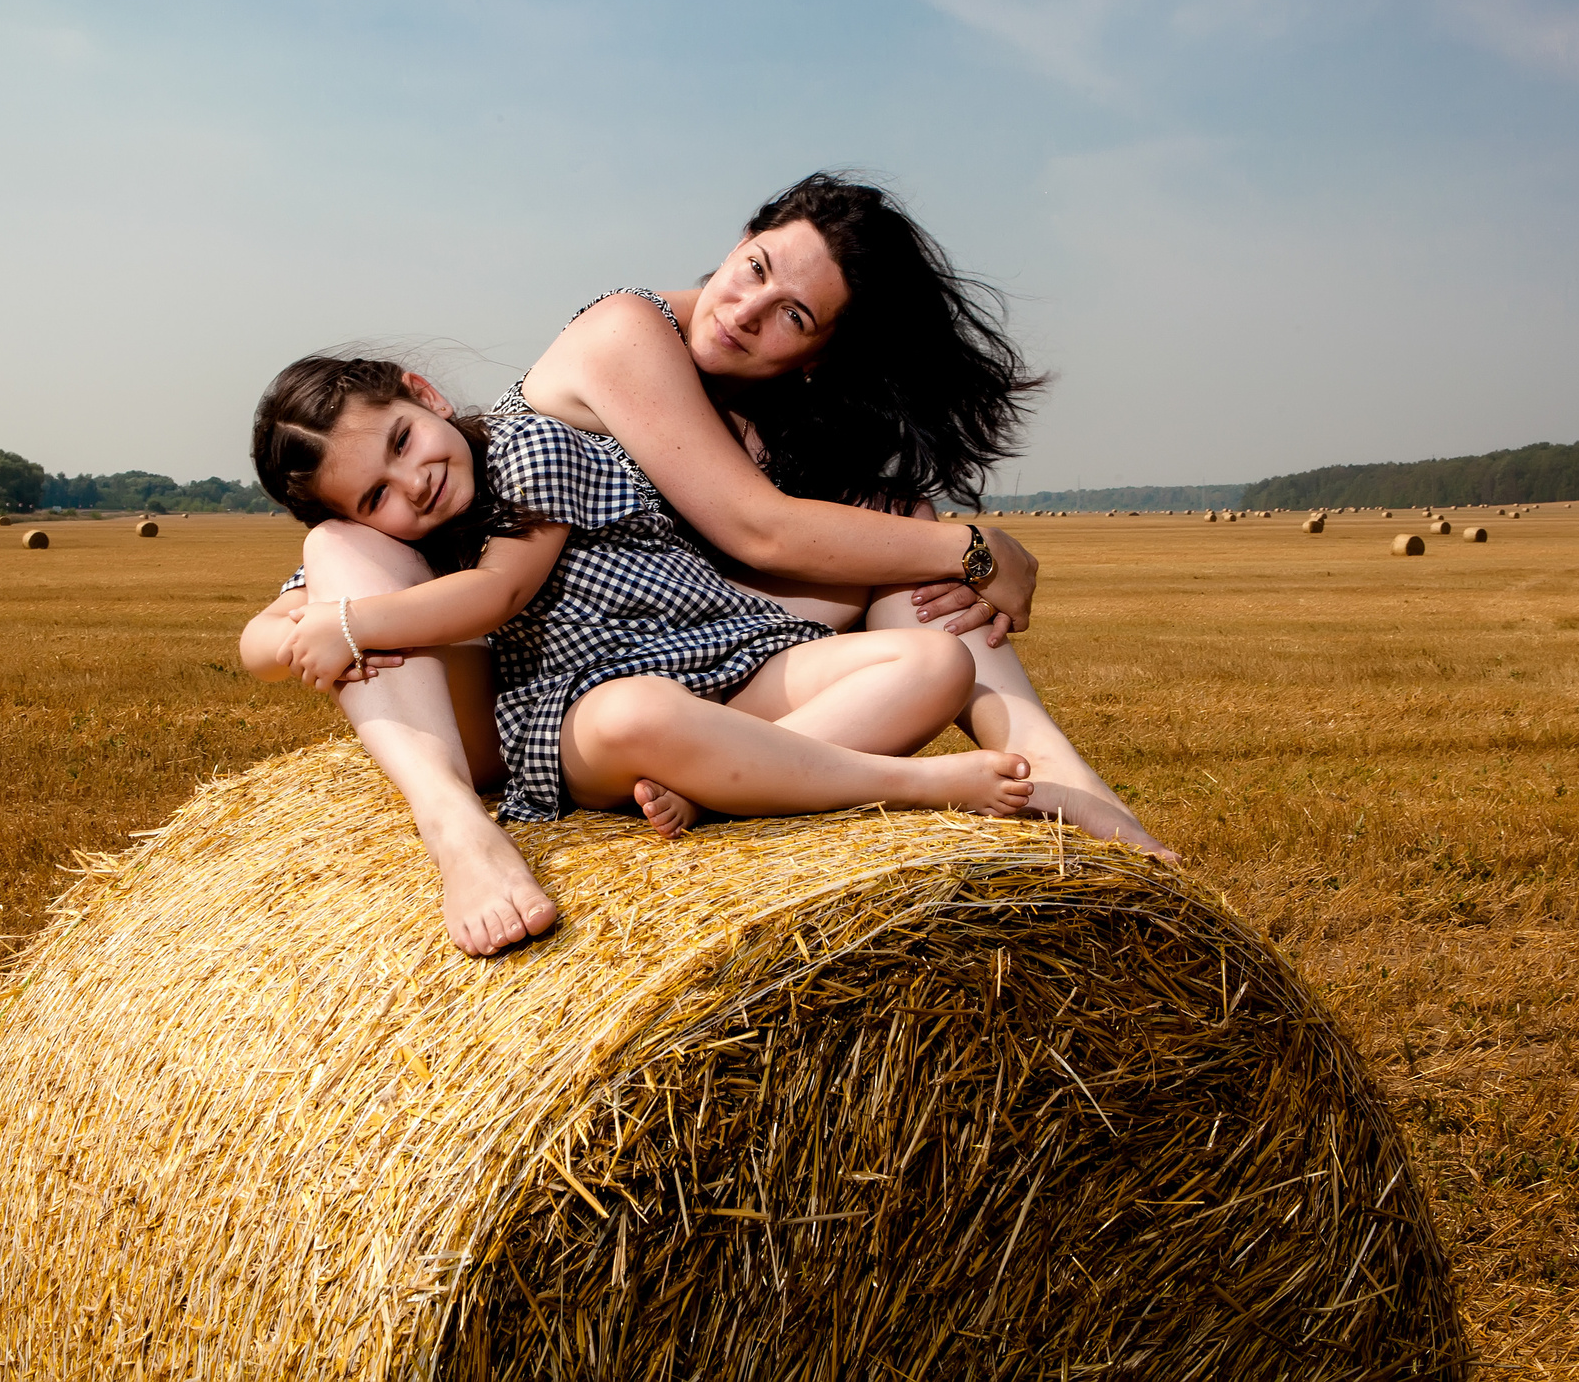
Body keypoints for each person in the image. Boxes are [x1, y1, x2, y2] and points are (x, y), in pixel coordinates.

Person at [244, 173, 1172, 954]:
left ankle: (1053, 782)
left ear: (823, 352)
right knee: (340, 547)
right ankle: (455, 825)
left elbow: (799, 543)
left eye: (791, 314)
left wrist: (933, 547)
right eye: (755, 267)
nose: (743, 310)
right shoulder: (611, 345)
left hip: (704, 661)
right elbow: (757, 529)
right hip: (531, 696)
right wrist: (977, 549)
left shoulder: (783, 416)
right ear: (741, 237)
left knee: (921, 604)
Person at [253, 356, 1036, 952]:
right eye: (374, 496)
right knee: (640, 712)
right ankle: (909, 784)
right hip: (579, 707)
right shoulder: (390, 544)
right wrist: (300, 624)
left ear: (423, 392)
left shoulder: (532, 442)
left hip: (727, 654)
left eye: (401, 440)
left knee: (938, 664)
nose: (412, 482)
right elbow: (262, 645)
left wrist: (348, 625)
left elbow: (498, 595)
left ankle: (723, 785)